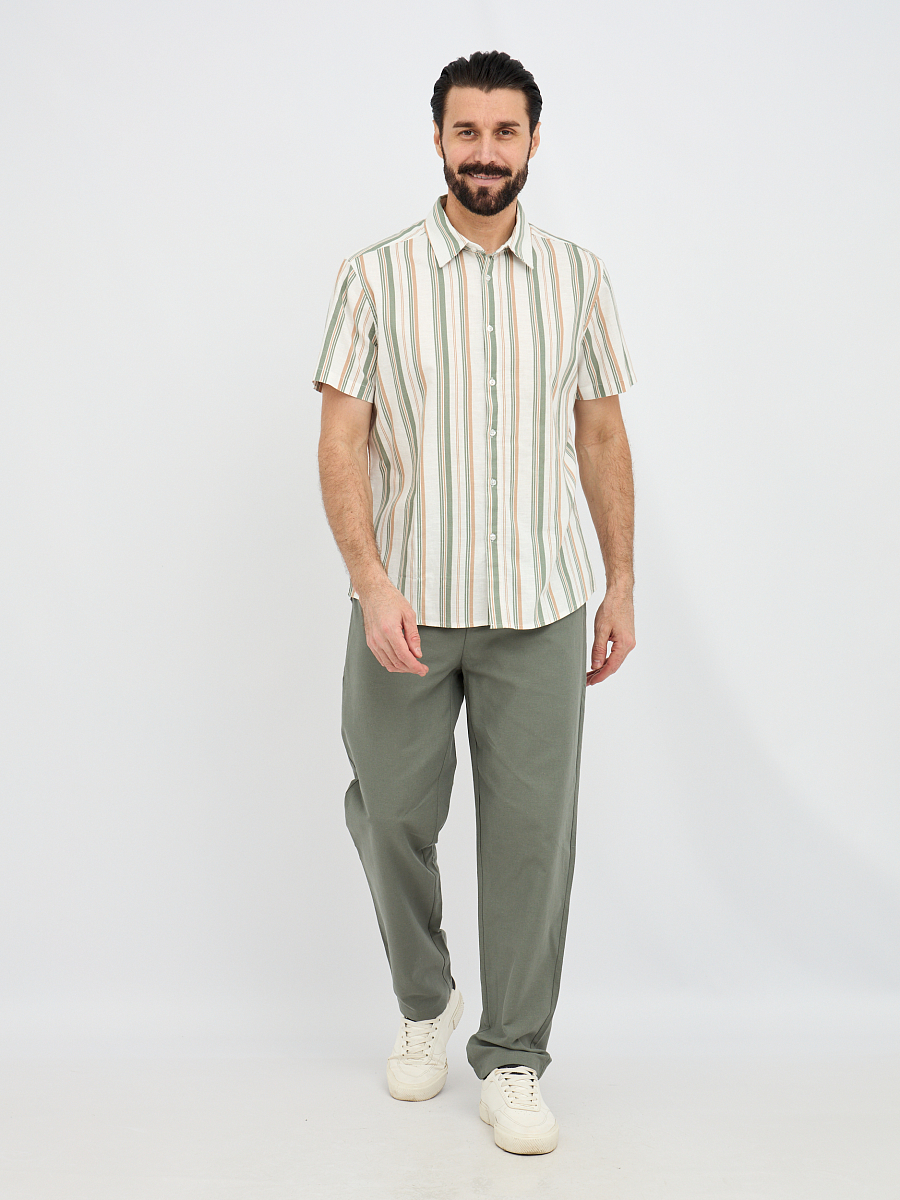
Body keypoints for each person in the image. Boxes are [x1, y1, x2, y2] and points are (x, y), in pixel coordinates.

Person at [312, 50, 636, 1155]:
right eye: (468, 131)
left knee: (533, 839)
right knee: (389, 810)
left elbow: (602, 432)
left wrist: (620, 580)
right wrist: (369, 583)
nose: (486, 152)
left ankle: (515, 1057)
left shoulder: (580, 277)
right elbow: (341, 439)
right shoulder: (374, 276)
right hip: (405, 604)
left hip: (541, 603)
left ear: (534, 141)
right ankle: (425, 999)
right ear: (440, 140)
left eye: (505, 132)